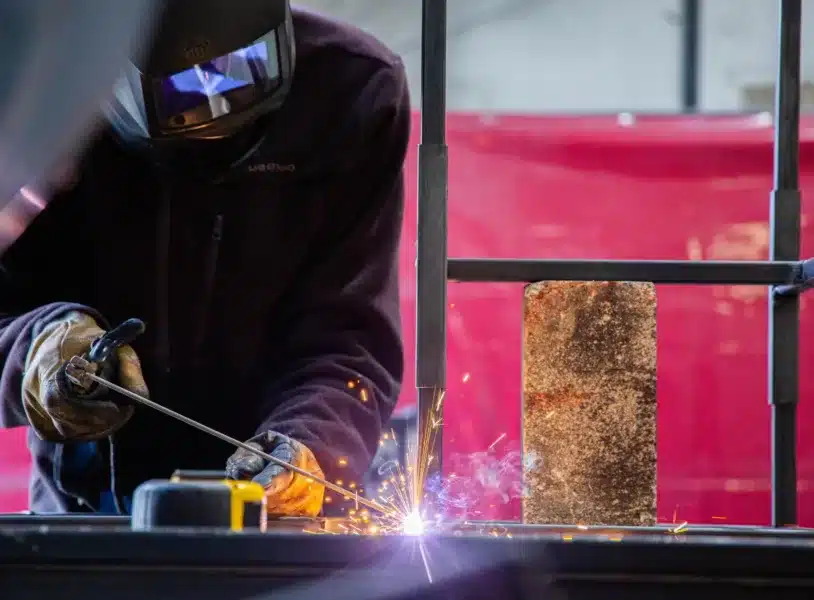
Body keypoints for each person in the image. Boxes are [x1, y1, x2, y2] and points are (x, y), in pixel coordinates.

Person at [0, 0, 409, 518]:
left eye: (229, 74)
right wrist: (39, 350)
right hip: (87, 512)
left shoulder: (349, 90)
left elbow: (348, 335)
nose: (208, 95)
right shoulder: (30, 98)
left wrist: (312, 445)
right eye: (181, 91)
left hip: (276, 521)